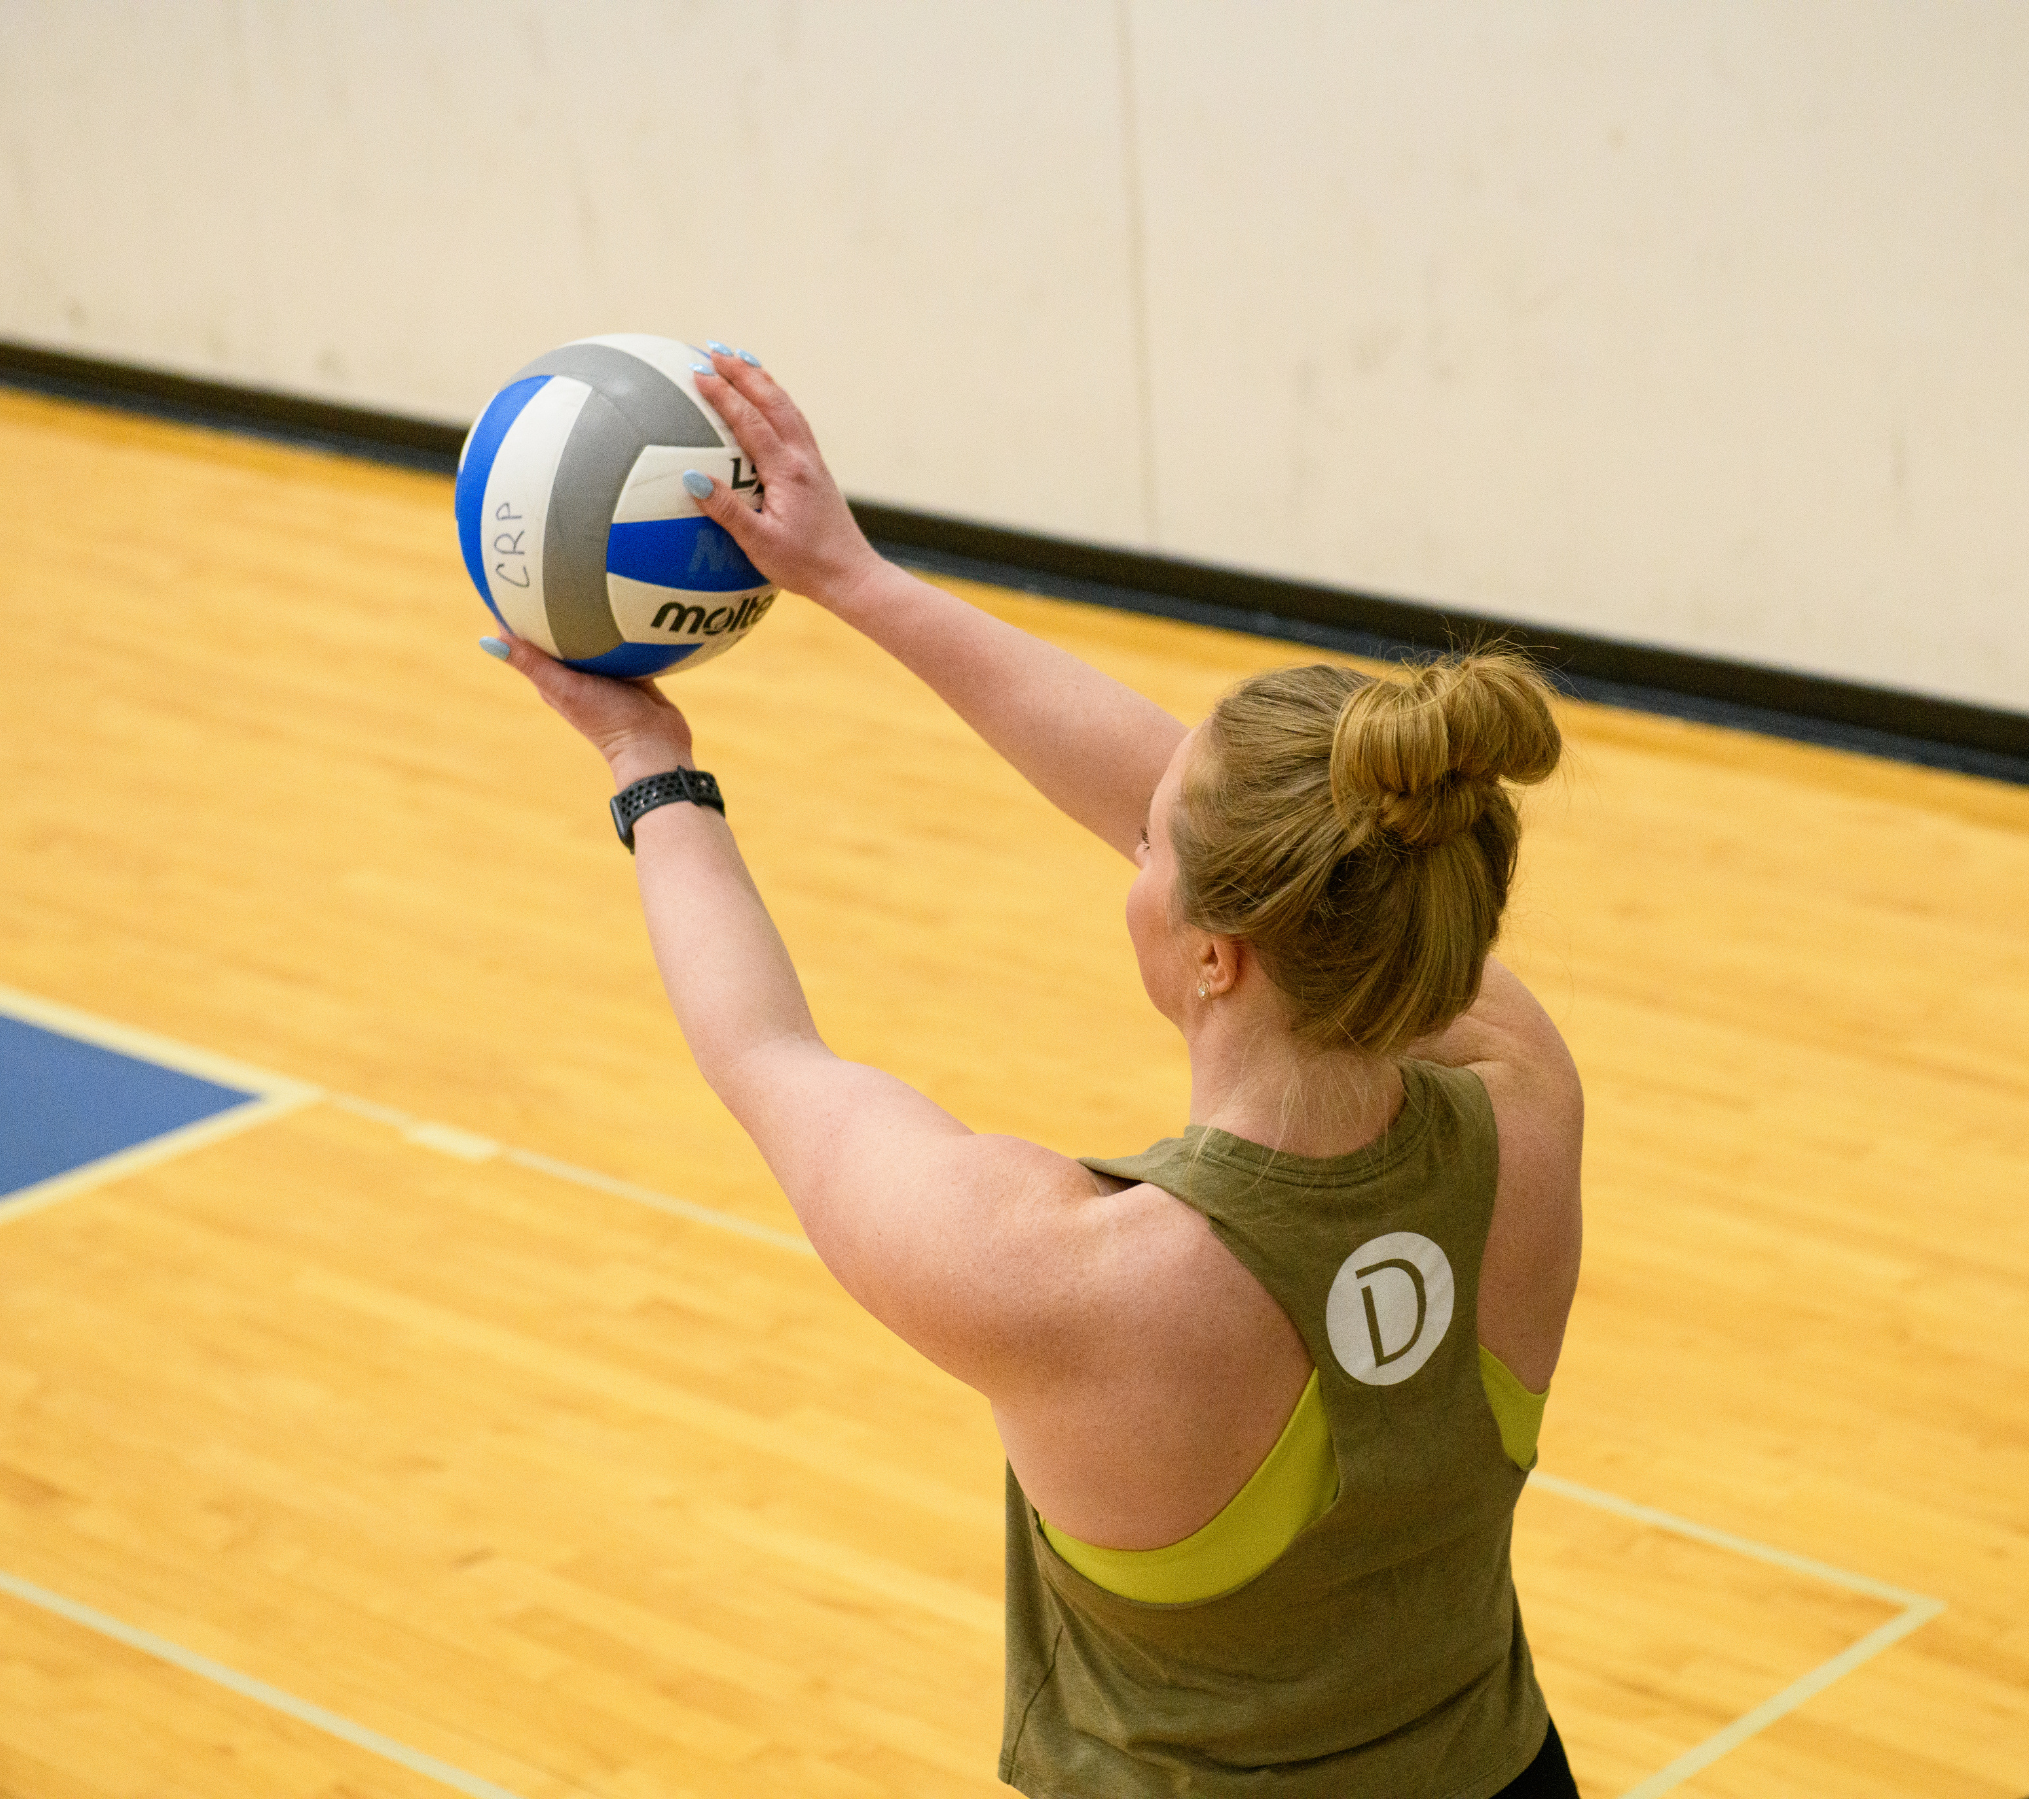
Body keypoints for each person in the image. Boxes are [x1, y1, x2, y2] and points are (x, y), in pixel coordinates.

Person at [482, 347, 1586, 1798]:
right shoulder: (1526, 1109)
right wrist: (855, 579)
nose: (1128, 851)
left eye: (1148, 846)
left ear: (1217, 954)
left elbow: (764, 1055)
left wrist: (648, 758)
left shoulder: (1065, 1281)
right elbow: (1292, 832)